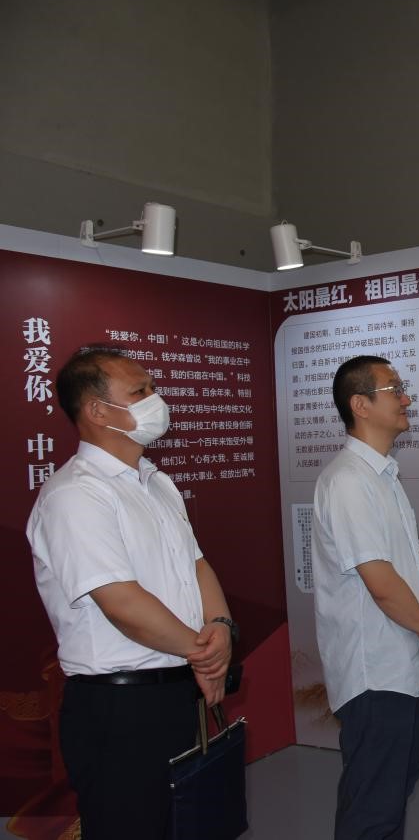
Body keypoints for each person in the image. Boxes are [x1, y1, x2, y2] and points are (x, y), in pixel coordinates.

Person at [25, 345, 235, 839]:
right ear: (97, 411)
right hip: (118, 709)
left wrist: (221, 627)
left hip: (176, 690)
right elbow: (121, 602)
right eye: (140, 391)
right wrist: (205, 655)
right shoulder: (76, 494)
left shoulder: (156, 483)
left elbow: (196, 564)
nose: (156, 399)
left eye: (152, 388)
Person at [312, 355, 419, 840]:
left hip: (401, 663)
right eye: (394, 389)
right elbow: (379, 578)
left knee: (394, 789)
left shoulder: (382, 476)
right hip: (374, 671)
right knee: (373, 805)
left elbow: (411, 556)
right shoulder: (348, 480)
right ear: (361, 405)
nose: (406, 398)